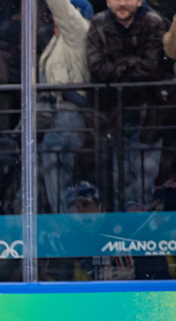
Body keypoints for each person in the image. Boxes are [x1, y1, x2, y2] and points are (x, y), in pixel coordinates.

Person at [86, 0, 167, 208]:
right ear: (107, 1)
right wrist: (131, 64)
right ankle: (118, 236)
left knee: (143, 183)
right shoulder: (98, 23)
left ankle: (138, 238)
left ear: (140, 1)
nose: (122, 3)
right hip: (110, 115)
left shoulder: (153, 23)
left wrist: (118, 69)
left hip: (147, 115)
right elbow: (97, 70)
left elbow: (151, 68)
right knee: (115, 182)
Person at [37, 0, 92, 214]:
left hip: (68, 114)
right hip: (53, 116)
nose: (52, 16)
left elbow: (62, 8)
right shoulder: (57, 38)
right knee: (47, 173)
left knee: (58, 171)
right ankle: (57, 225)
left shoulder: (78, 31)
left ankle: (65, 225)